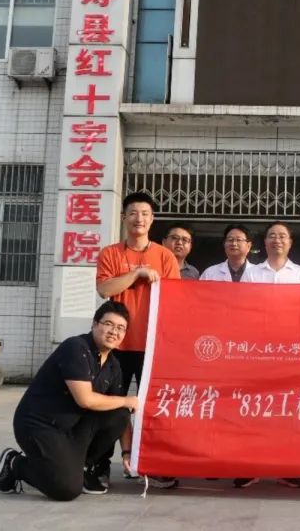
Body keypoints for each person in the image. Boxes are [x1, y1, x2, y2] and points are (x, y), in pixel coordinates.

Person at [0, 301, 138, 501]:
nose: (114, 331)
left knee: (119, 414)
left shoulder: (113, 365)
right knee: (67, 490)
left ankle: (82, 468)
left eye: (121, 328)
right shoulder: (75, 347)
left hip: (71, 427)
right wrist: (126, 400)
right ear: (94, 324)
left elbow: (122, 411)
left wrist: (127, 453)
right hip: (40, 425)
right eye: (109, 324)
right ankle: (15, 464)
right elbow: (85, 400)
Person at [95, 191, 180, 487]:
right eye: (133, 213)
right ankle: (100, 465)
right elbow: (105, 289)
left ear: (152, 219)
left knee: (152, 407)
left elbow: (175, 300)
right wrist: (137, 274)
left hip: (152, 346)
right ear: (124, 218)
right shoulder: (110, 253)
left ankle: (151, 463)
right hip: (115, 346)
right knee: (109, 405)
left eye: (144, 213)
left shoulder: (165, 256)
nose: (139, 218)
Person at [236, 220, 300, 489]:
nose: (277, 240)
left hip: (292, 351)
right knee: (253, 409)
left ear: (290, 242)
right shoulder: (252, 273)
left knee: (288, 410)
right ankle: (250, 465)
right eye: (272, 236)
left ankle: (286, 467)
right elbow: (244, 308)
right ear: (264, 242)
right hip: (258, 351)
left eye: (282, 236)